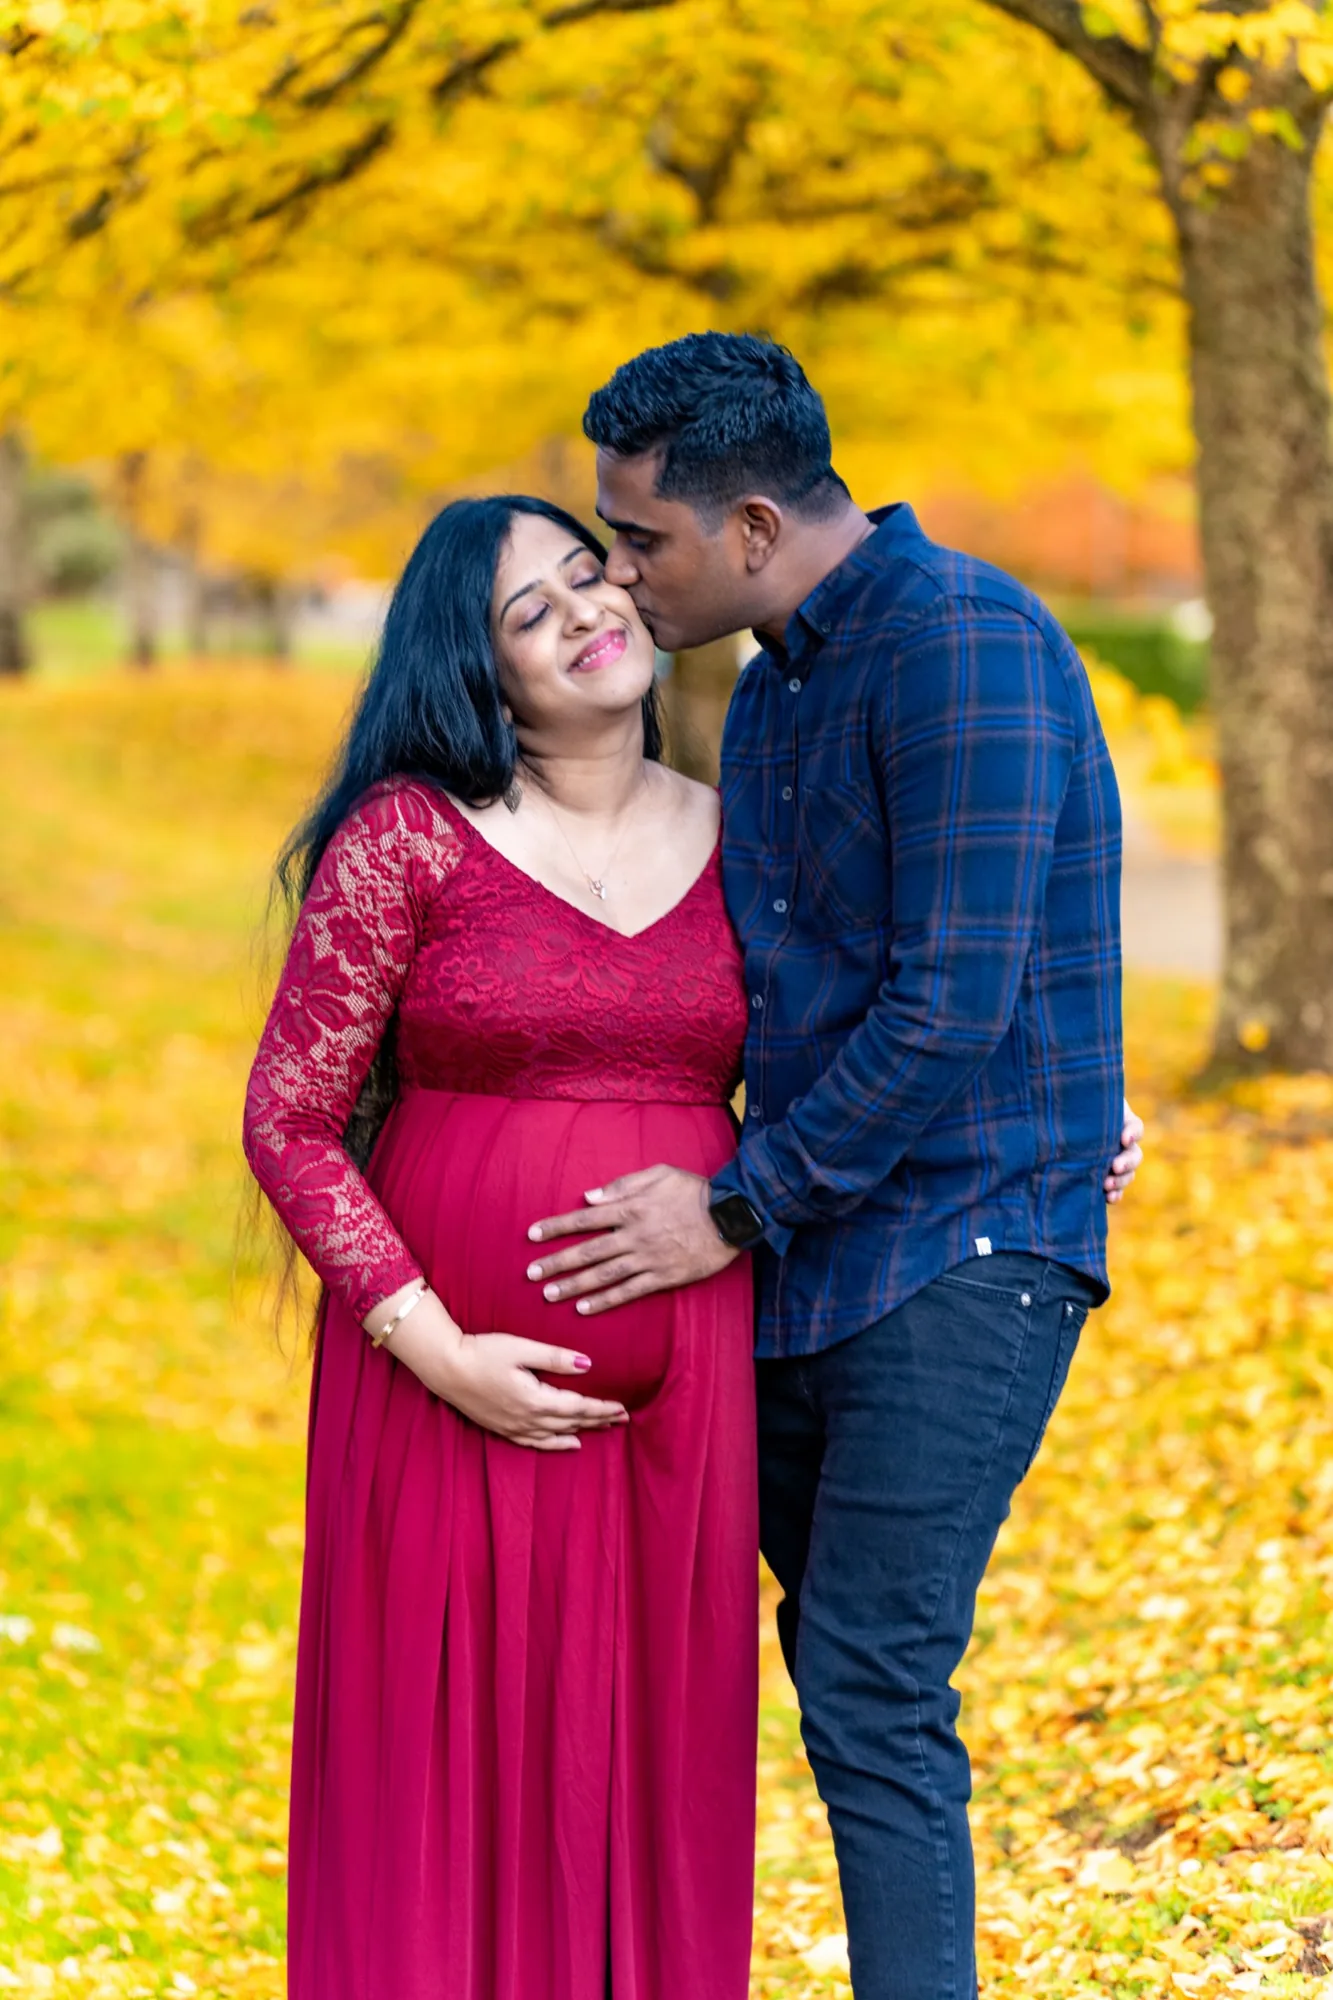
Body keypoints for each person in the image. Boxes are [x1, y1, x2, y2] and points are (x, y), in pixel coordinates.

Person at [524, 333, 1142, 2000]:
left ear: (744, 524)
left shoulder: (965, 649)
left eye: (636, 538)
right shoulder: (780, 682)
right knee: (825, 1656)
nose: (617, 574)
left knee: (871, 1674)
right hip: (824, 1247)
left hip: (968, 1246)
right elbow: (779, 985)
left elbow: (952, 1005)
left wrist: (728, 1206)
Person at [242, 495, 758, 2000]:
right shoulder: (412, 838)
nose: (587, 614)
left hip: (686, 1401)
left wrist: (1064, 1125)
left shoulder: (744, 835)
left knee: (655, 1750)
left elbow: (857, 1057)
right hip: (443, 1384)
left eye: (589, 575)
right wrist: (436, 1344)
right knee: (442, 1744)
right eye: (530, 614)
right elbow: (291, 1119)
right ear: (478, 675)